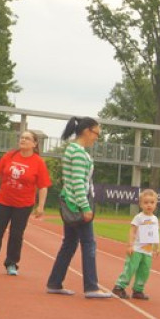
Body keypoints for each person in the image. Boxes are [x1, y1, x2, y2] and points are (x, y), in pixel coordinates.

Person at [45, 116, 112, 298]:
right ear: (87, 131)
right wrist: (85, 207)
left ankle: (54, 282)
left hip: (71, 202)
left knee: (69, 244)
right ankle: (91, 287)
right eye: (96, 133)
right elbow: (77, 182)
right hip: (76, 204)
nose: (97, 138)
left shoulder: (73, 150)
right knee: (88, 244)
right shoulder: (78, 153)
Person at [0, 130, 50, 276]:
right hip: (3, 200)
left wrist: (41, 206)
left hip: (23, 204)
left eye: (27, 138)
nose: (23, 140)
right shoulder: (10, 156)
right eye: (22, 137)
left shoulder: (38, 162)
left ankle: (11, 263)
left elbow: (43, 186)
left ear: (34, 144)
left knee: (16, 234)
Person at [111, 188, 160, 300]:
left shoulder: (155, 219)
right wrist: (130, 245)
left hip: (148, 251)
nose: (149, 205)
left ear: (156, 204)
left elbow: (156, 233)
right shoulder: (139, 217)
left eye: (152, 202)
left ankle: (138, 290)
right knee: (131, 268)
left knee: (144, 271)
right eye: (146, 202)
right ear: (141, 204)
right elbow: (132, 231)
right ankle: (119, 287)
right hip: (137, 249)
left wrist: (158, 247)